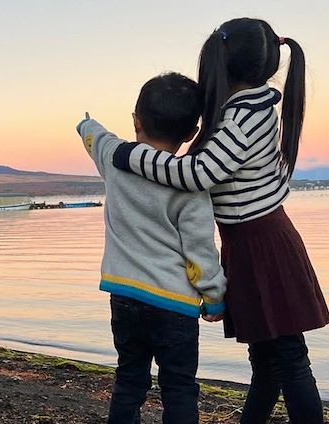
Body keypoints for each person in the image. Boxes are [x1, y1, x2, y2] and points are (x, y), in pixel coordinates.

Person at [95, 18, 329, 424]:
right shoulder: (243, 109)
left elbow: (196, 174)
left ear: (221, 65)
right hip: (249, 241)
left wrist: (123, 156)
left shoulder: (246, 115)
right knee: (267, 359)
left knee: (289, 358)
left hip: (263, 244)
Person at [77, 72, 227, 424]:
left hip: (125, 297)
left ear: (136, 121)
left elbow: (92, 135)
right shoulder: (190, 184)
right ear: (191, 134)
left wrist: (84, 123)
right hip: (174, 306)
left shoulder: (114, 157)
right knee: (179, 387)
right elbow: (200, 252)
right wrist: (215, 297)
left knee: (129, 379)